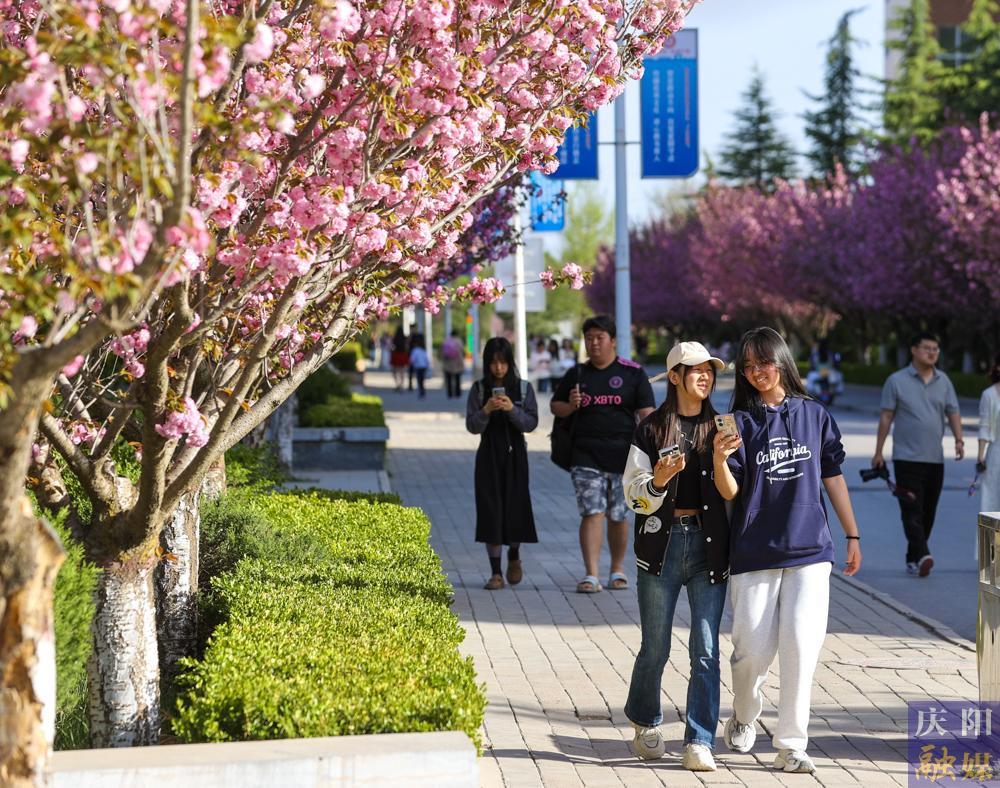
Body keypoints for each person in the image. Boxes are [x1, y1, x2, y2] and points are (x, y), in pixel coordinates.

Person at [714, 327, 861, 775]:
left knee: (800, 648)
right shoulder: (738, 422)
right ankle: (744, 713)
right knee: (751, 653)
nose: (757, 372)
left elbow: (833, 475)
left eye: (764, 362)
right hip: (754, 551)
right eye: (748, 366)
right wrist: (718, 459)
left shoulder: (814, 414)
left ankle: (792, 745)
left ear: (782, 361)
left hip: (810, 551)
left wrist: (852, 535)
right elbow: (730, 491)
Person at [622, 341, 729, 771]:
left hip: (709, 545)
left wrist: (724, 458)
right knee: (656, 646)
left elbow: (733, 489)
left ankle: (699, 739)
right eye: (696, 370)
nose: (705, 377)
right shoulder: (650, 429)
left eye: (709, 370)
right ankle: (645, 720)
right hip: (661, 547)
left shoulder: (721, 426)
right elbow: (633, 495)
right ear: (674, 377)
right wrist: (658, 482)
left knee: (706, 649)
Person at [551, 314, 656, 593]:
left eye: (599, 337)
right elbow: (555, 406)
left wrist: (654, 445)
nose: (594, 343)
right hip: (585, 455)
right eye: (589, 338)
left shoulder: (633, 373)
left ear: (613, 341)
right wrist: (570, 405)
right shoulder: (577, 374)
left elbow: (647, 413)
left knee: (618, 515)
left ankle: (617, 569)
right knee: (592, 512)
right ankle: (591, 574)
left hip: (624, 458)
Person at [872, 331, 964, 577]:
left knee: (928, 512)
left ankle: (914, 558)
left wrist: (959, 439)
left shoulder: (944, 381)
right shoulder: (896, 381)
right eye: (927, 348)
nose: (932, 353)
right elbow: (886, 417)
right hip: (906, 458)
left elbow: (953, 411)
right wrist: (878, 452)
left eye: (936, 349)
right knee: (911, 509)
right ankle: (923, 553)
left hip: (934, 459)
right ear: (914, 350)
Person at [465, 337, 539, 589]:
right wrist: (486, 410)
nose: (498, 368)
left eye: (503, 362)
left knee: (515, 508)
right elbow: (472, 426)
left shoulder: (523, 389)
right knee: (491, 511)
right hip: (488, 457)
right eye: (494, 363)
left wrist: (512, 410)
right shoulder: (479, 390)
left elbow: (531, 423)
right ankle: (495, 572)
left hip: (516, 457)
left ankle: (514, 555)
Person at [977, 354, 1000, 518]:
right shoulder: (989, 395)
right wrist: (980, 457)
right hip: (996, 455)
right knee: (991, 502)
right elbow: (984, 426)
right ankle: (990, 537)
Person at [441, 330, 465, 399]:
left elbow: (442, 352)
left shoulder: (446, 341)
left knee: (448, 379)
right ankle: (457, 393)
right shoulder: (459, 341)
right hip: (457, 363)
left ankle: (450, 394)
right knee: (457, 379)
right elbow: (461, 351)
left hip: (448, 363)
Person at [408, 333, 430, 398]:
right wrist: (427, 365)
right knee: (422, 379)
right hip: (424, 366)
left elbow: (412, 359)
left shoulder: (415, 350)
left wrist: (411, 364)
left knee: (419, 379)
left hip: (418, 367)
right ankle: (422, 390)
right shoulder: (423, 350)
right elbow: (426, 359)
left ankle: (421, 390)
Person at [389, 326, 409, 391]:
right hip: (403, 355)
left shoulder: (395, 338)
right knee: (402, 371)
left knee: (395, 371)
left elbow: (392, 347)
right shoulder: (404, 338)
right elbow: (407, 347)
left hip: (396, 355)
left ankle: (397, 384)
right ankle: (401, 384)